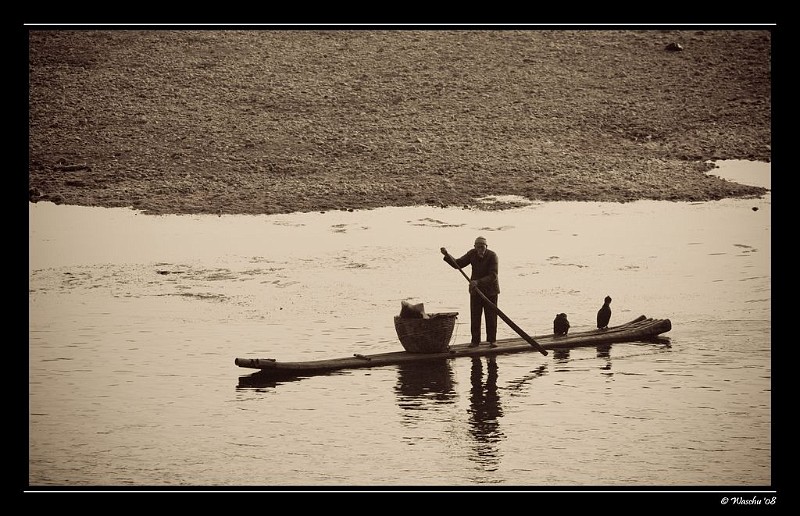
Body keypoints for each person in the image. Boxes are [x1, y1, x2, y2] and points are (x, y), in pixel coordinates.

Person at [441, 236, 499, 348]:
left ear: (486, 247)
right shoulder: (471, 254)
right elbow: (458, 264)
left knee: (491, 316)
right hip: (475, 291)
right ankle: (475, 341)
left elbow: (493, 276)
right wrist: (447, 255)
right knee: (475, 316)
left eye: (482, 247)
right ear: (475, 247)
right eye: (478, 247)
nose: (480, 249)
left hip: (490, 291)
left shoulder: (492, 256)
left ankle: (492, 340)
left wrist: (478, 282)